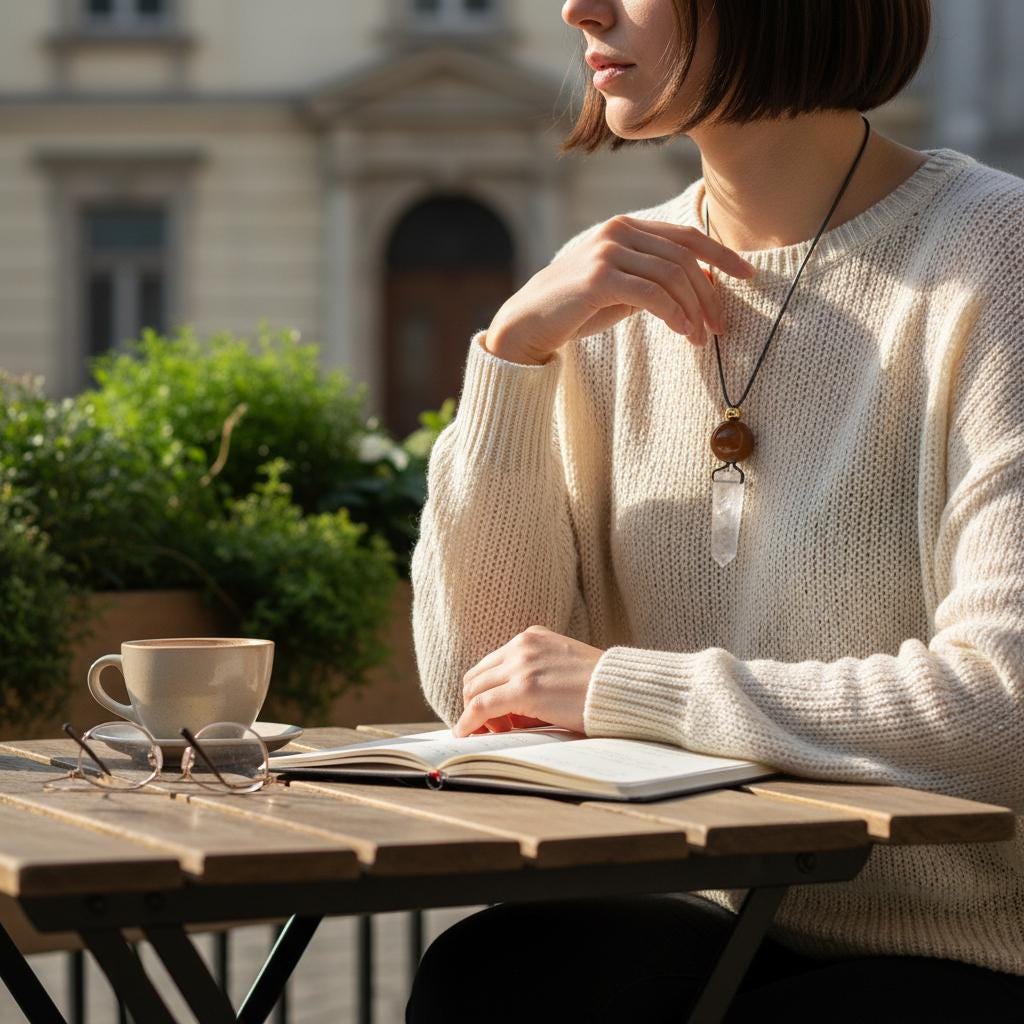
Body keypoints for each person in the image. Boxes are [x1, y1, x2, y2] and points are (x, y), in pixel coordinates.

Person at [405, 0, 1024, 1020]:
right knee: (500, 972)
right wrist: (514, 353)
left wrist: (619, 687)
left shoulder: (991, 261)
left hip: (976, 953)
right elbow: (477, 678)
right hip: (739, 922)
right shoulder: (605, 287)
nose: (578, 8)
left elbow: (1001, 709)